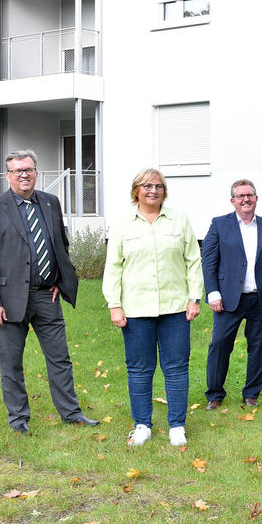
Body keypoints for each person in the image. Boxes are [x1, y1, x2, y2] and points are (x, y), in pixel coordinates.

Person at [0, 149, 98, 433]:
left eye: (28, 169)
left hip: (46, 296)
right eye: (17, 171)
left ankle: (71, 413)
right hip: (8, 300)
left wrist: (58, 278)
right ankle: (19, 419)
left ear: (36, 172)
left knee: (60, 358)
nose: (24, 175)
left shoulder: (51, 203)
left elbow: (60, 245)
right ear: (8, 175)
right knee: (11, 363)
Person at [102, 169, 203, 447]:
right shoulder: (123, 224)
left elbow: (193, 260)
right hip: (136, 310)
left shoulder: (179, 220)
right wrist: (115, 305)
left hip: (175, 309)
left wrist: (195, 298)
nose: (153, 191)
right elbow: (113, 268)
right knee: (139, 369)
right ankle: (142, 424)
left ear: (164, 191)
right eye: (147, 186)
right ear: (136, 190)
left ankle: (177, 426)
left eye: (158, 186)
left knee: (176, 368)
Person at [200, 179, 262, 410]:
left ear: (256, 199)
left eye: (250, 195)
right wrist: (212, 293)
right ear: (233, 201)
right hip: (228, 298)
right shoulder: (219, 225)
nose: (246, 199)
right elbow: (209, 262)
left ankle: (251, 394)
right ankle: (215, 395)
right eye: (240, 196)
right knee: (220, 345)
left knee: (258, 346)